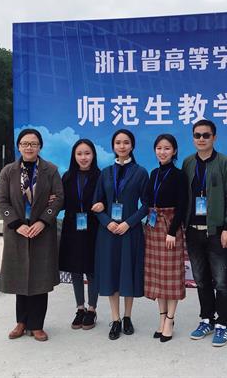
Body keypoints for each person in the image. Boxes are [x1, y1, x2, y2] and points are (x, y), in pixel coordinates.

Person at [0, 128, 64, 342]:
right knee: (20, 276)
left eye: (33, 144)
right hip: (17, 231)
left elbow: (59, 198)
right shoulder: (9, 171)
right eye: (25, 143)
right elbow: (2, 200)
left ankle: (37, 325)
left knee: (39, 278)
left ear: (40, 147)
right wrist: (16, 224)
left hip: (41, 231)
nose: (29, 147)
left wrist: (43, 221)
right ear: (19, 146)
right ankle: (21, 322)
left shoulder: (50, 170)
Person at [183, 119, 227, 347]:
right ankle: (206, 319)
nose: (201, 139)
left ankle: (223, 323)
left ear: (214, 137)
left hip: (217, 232)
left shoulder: (226, 162)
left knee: (220, 280)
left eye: (206, 135)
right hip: (193, 231)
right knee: (200, 279)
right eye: (197, 135)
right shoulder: (188, 163)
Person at [94, 129, 149, 340]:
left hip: (130, 231)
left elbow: (146, 205)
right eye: (118, 142)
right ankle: (115, 319)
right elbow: (97, 204)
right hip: (108, 233)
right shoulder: (105, 173)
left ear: (132, 146)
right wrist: (107, 222)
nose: (122, 146)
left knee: (128, 273)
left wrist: (129, 223)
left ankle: (127, 317)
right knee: (112, 273)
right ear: (113, 146)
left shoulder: (140, 172)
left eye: (126, 142)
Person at [143, 134, 188, 343]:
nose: (162, 152)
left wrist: (172, 231)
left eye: (167, 148)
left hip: (170, 226)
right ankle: (161, 318)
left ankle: (170, 319)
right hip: (153, 227)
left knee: (171, 276)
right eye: (159, 148)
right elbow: (147, 198)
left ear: (174, 151)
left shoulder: (179, 175)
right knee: (158, 276)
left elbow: (182, 205)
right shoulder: (153, 173)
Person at [58, 139, 103, 330]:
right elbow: (61, 202)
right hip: (72, 228)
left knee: (91, 270)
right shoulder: (68, 176)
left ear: (93, 155)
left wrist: (103, 204)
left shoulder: (101, 176)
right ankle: (80, 308)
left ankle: (92, 309)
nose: (83, 157)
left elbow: (107, 199)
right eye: (79, 154)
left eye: (87, 153)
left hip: (93, 228)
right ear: (74, 156)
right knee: (75, 269)